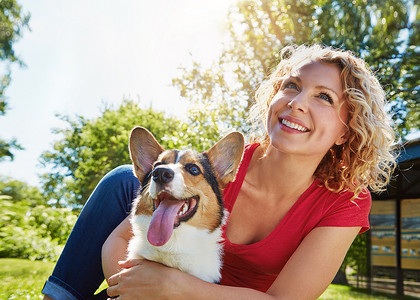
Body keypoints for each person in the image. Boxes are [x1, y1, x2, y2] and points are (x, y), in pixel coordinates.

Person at [42, 44, 396, 300]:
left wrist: (174, 288)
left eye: (324, 97)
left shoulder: (345, 203)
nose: (297, 102)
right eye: (291, 86)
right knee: (125, 178)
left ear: (346, 132)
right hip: (164, 279)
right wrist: (135, 287)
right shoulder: (221, 167)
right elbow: (119, 241)